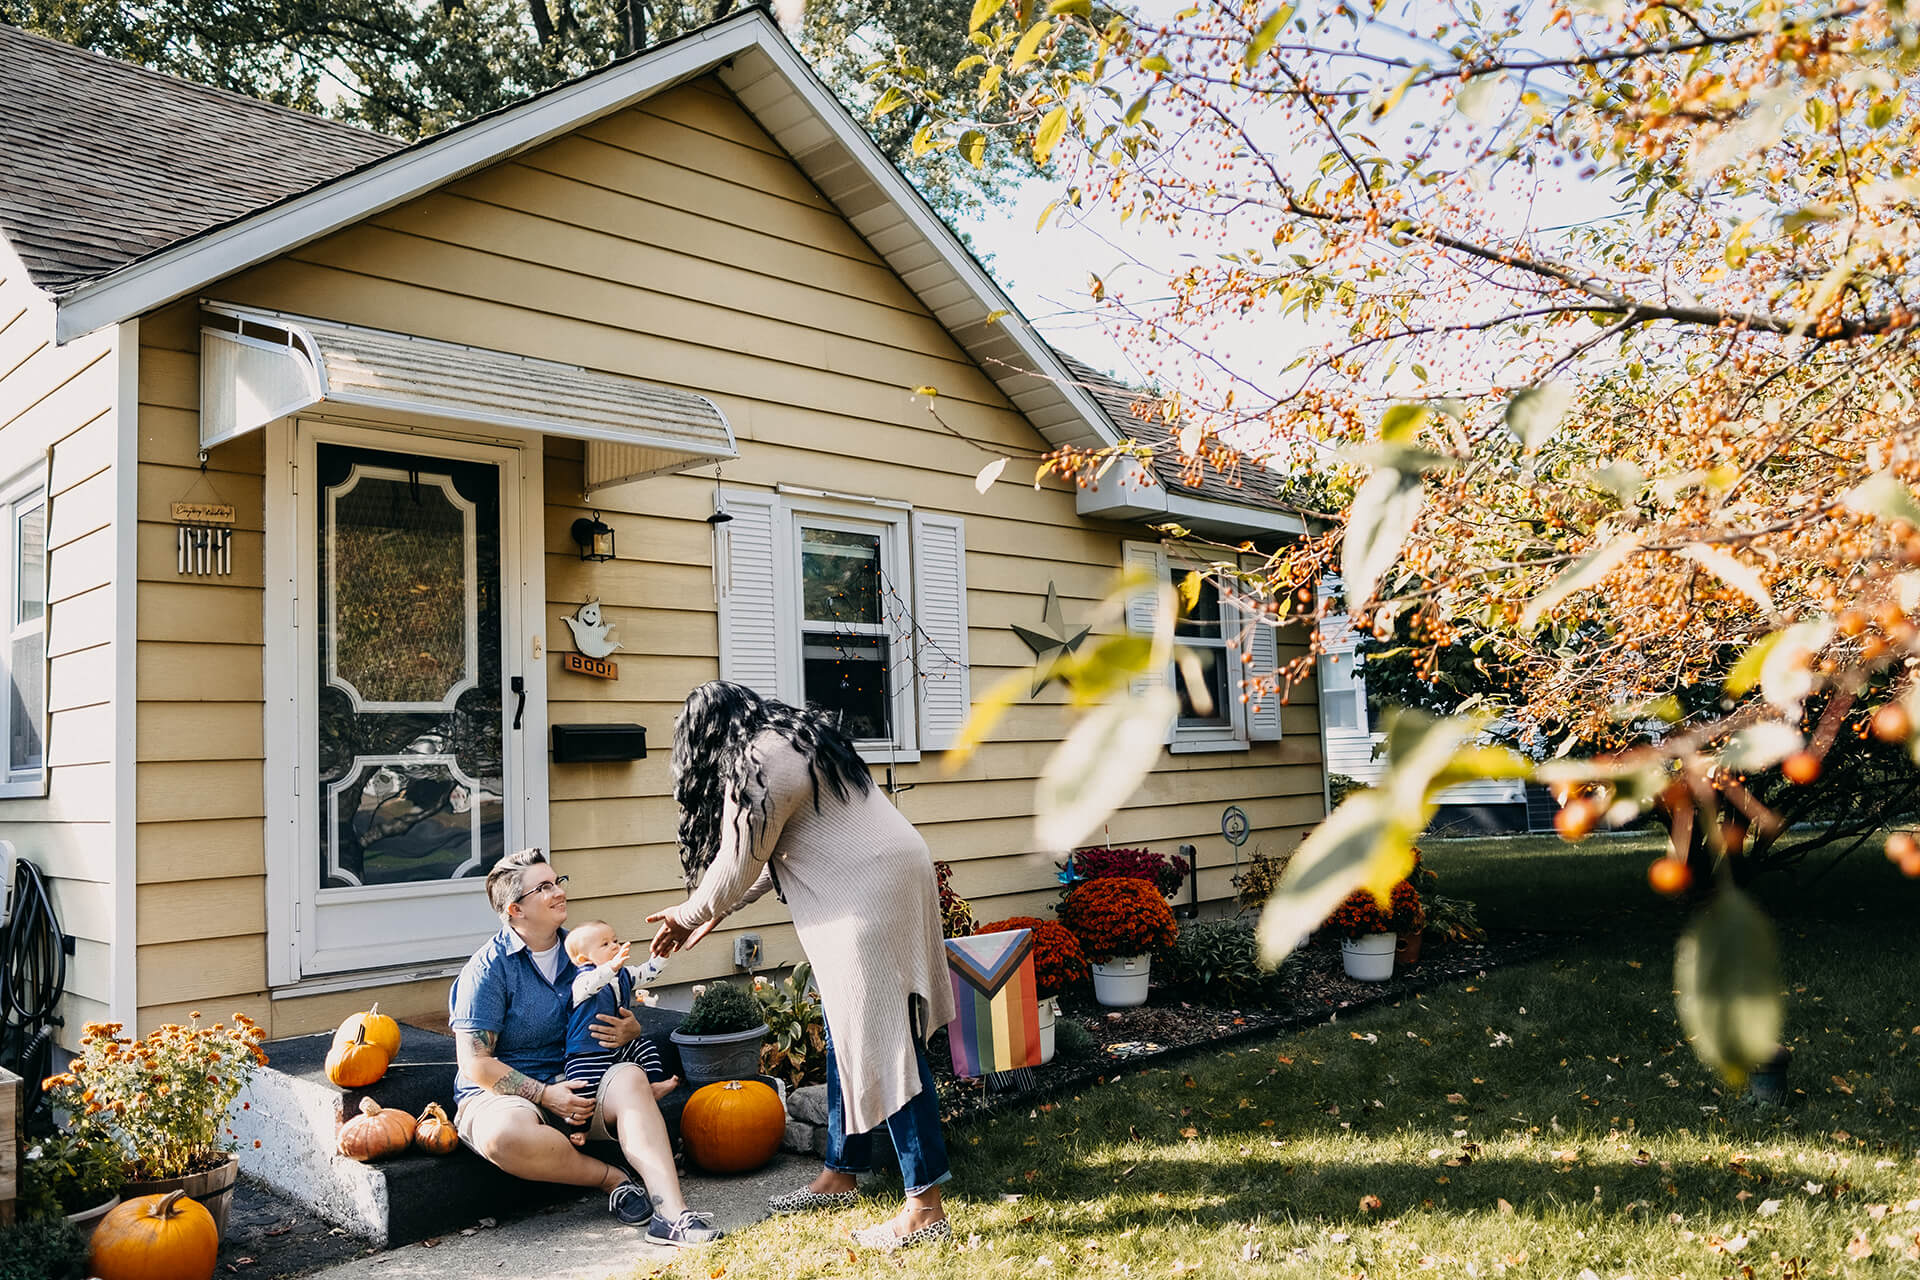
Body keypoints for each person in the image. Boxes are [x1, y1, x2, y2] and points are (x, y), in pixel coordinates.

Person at [646, 681, 958, 1252]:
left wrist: (691, 912)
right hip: (890, 877)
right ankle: (841, 1172)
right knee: (847, 1031)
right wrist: (716, 910)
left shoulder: (758, 762)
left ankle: (925, 1208)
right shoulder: (793, 739)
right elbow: (771, 856)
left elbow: (739, 860)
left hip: (867, 896)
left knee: (888, 1043)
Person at [449, 848, 721, 1248]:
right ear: (515, 910)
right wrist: (544, 1095)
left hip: (580, 1083)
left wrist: (630, 1028)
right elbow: (475, 1064)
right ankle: (611, 1179)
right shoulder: (488, 970)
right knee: (502, 1136)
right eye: (543, 887)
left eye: (558, 881)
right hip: (505, 1095)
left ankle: (672, 1215)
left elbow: (612, 1004)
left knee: (630, 1078)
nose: (558, 892)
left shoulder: (583, 952)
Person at [559, 919, 678, 1145]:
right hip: (586, 1051)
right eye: (605, 944)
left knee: (645, 1047)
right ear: (584, 959)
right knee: (583, 1088)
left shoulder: (623, 974)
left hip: (620, 1046)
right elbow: (594, 983)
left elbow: (647, 974)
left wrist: (661, 956)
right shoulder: (581, 981)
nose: (615, 946)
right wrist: (610, 967)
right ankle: (579, 1127)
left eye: (615, 940)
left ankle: (654, 1084)